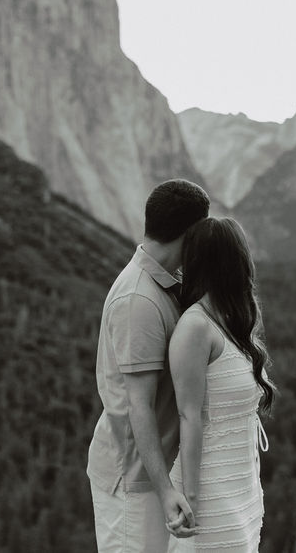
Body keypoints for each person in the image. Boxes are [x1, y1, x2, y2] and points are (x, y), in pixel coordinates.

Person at [87, 179, 211, 552]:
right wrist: (165, 489)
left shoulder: (165, 283)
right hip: (134, 481)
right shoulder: (138, 298)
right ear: (190, 234)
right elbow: (138, 403)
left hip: (150, 472)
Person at [167, 217, 276, 552]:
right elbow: (189, 415)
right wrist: (192, 499)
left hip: (241, 484)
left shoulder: (232, 320)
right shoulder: (195, 327)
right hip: (209, 489)